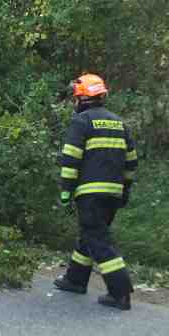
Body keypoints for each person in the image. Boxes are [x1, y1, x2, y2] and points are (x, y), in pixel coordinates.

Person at [53, 74, 137, 309]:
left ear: (82, 99)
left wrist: (66, 190)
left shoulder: (81, 122)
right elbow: (131, 162)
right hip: (113, 193)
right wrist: (125, 190)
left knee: (98, 239)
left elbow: (71, 158)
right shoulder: (119, 123)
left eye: (75, 98)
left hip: (90, 193)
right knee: (90, 234)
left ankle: (120, 292)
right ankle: (75, 279)